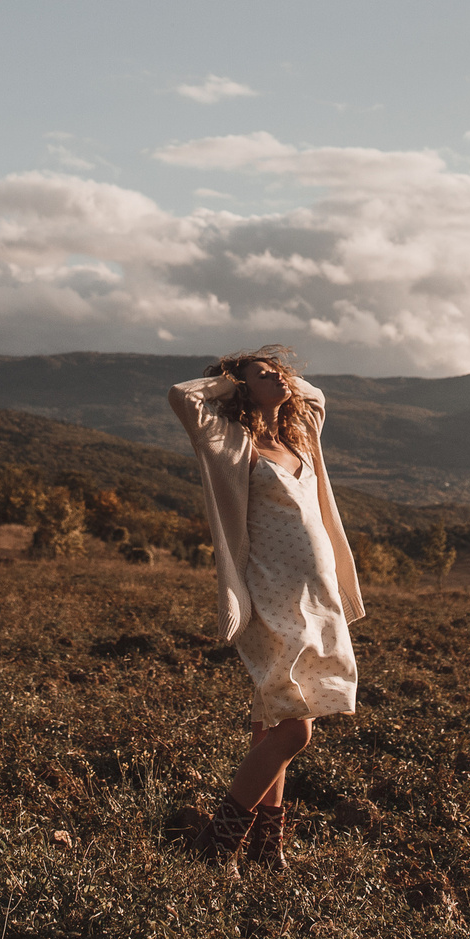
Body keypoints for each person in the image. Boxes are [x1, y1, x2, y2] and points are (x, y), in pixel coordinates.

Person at [167, 343, 364, 872]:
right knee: (295, 728)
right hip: (271, 595)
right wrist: (234, 384)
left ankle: (265, 850)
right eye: (264, 374)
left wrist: (277, 385)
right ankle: (215, 846)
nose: (279, 378)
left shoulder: (300, 437)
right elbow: (183, 397)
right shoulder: (232, 442)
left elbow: (316, 397)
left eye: (281, 372)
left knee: (272, 723)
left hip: (317, 598)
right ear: (239, 388)